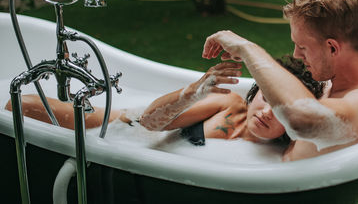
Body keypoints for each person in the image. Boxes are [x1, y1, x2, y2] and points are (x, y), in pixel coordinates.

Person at [201, 0, 358, 161]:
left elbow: (303, 118)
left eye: (302, 47)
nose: (296, 56)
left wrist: (247, 49)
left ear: (332, 48)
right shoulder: (328, 87)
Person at [4, 56, 324, 154]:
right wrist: (195, 91)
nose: (268, 111)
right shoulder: (230, 104)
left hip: (145, 157)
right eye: (268, 99)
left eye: (285, 110)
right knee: (20, 105)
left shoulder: (288, 151)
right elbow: (149, 123)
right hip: (125, 128)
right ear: (254, 93)